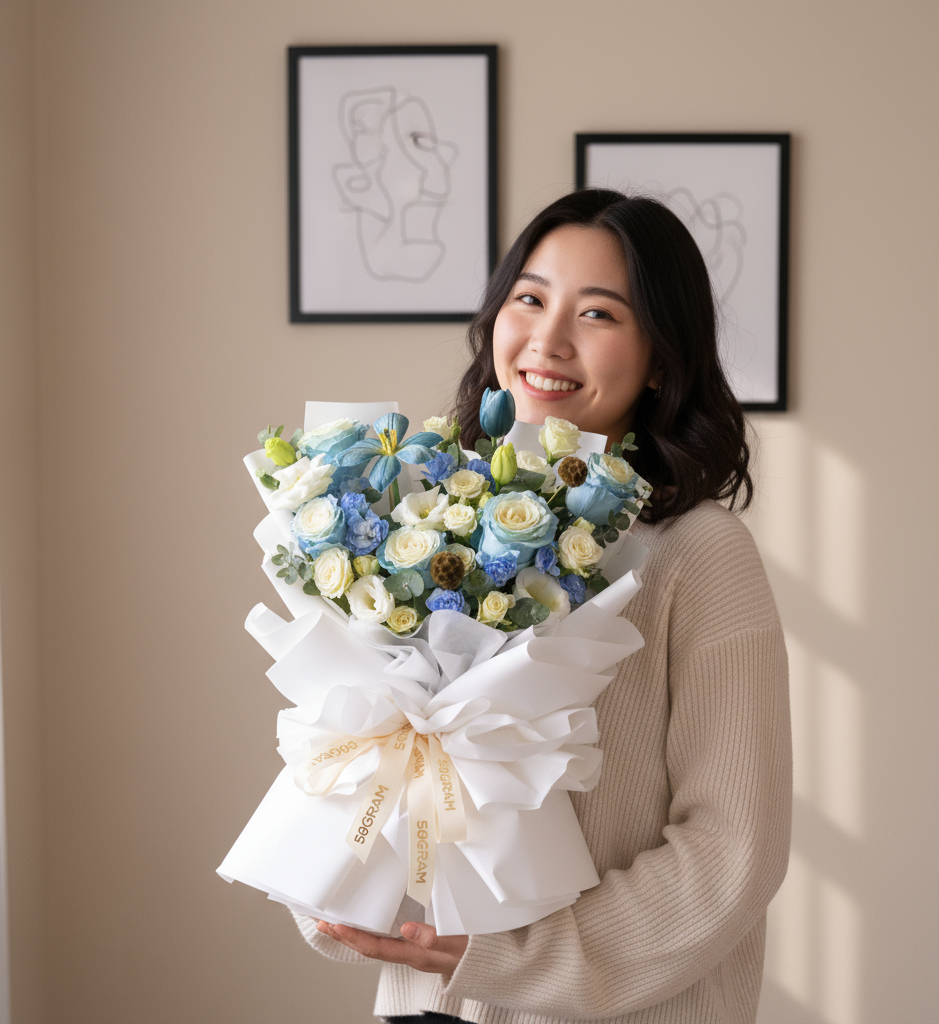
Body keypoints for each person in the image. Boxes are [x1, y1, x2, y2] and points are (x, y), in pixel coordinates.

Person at [294, 188, 792, 1023]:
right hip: (430, 1003)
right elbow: (384, 759)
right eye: (529, 298)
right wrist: (336, 870)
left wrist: (517, 960)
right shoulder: (427, 518)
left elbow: (731, 851)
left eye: (598, 314)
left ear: (661, 359)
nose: (547, 340)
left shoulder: (699, 554)